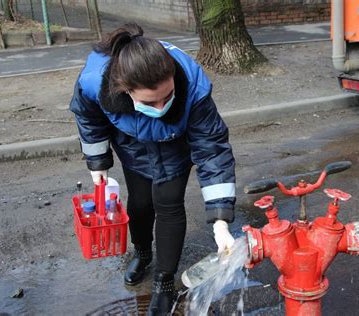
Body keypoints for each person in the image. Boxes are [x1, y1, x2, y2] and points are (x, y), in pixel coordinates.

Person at [69, 22, 236, 315]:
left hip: (175, 147)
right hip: (133, 146)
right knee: (141, 203)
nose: (160, 108)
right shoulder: (96, 81)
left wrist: (220, 219)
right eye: (149, 101)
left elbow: (212, 148)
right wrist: (97, 161)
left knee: (169, 205)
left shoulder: (193, 88)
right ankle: (143, 253)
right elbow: (89, 117)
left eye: (167, 96)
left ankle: (164, 281)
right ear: (125, 90)